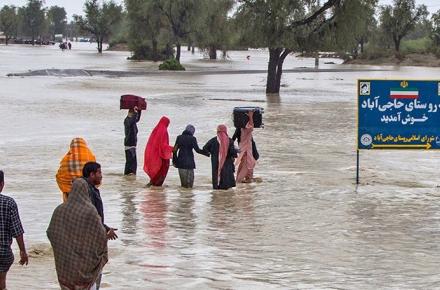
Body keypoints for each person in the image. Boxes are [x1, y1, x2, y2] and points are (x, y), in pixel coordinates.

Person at [47, 178, 108, 290]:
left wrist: (64, 248)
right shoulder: (90, 211)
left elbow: (51, 232)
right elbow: (100, 235)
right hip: (87, 264)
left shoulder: (60, 210)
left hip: (67, 264)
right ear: (86, 191)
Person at [82, 162, 117, 290]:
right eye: (99, 173)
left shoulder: (86, 190)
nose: (101, 176)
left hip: (87, 241)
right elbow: (90, 219)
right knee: (93, 277)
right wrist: (103, 232)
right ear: (91, 175)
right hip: (90, 243)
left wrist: (105, 228)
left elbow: (93, 218)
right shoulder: (89, 192)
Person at [0, 170, 28, 290]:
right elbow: (17, 230)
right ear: (2, 184)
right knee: (1, 283)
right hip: (3, 253)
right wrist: (23, 251)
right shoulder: (9, 203)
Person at [56, 137, 96, 202]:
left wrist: (68, 186)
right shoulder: (90, 157)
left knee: (71, 210)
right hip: (88, 192)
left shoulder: (66, 160)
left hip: (70, 193)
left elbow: (59, 177)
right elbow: (96, 175)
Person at [203, 125, 238, 190]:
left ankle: (217, 187)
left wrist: (210, 153)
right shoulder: (229, 141)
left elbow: (205, 148)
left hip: (215, 162)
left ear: (217, 131)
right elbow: (233, 152)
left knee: (216, 175)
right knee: (226, 177)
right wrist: (235, 154)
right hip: (227, 162)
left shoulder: (213, 140)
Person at [144, 116, 174, 187]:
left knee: (157, 171)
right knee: (161, 171)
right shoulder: (164, 131)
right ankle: (156, 185)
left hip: (154, 155)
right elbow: (163, 146)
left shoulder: (156, 129)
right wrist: (173, 148)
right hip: (161, 157)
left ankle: (152, 183)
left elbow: (152, 143)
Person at [233, 111, 259, 183]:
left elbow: (233, 139)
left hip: (244, 152)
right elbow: (251, 126)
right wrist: (251, 116)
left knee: (243, 170)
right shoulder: (246, 130)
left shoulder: (241, 129)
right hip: (246, 153)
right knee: (246, 168)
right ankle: (241, 184)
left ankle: (245, 182)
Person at [124, 106, 141, 175]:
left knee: (133, 163)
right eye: (133, 113)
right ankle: (128, 175)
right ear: (130, 113)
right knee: (130, 163)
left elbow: (136, 119)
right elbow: (133, 120)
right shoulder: (127, 120)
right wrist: (136, 112)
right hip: (129, 144)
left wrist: (139, 111)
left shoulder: (132, 121)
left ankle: (130, 176)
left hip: (132, 144)